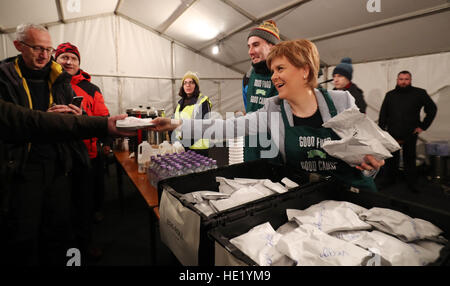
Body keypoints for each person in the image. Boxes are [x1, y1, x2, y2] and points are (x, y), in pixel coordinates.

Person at [151, 39, 384, 192]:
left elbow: (370, 150)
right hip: (307, 197)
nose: (273, 77)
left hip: (351, 194)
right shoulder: (275, 109)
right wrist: (175, 123)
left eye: (280, 69)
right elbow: (229, 127)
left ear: (305, 70)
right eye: (272, 70)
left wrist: (370, 162)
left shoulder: (341, 101)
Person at [0, 23, 87, 266]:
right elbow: (10, 122)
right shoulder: (5, 77)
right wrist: (46, 118)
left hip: (58, 161)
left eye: (48, 49)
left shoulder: (59, 77)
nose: (44, 55)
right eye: (38, 48)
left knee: (58, 225)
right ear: (18, 45)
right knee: (23, 232)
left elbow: (74, 114)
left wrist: (74, 113)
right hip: (23, 165)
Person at [55, 42, 111, 261]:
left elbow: (103, 118)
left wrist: (103, 141)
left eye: (73, 58)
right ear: (56, 60)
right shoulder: (48, 82)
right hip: (55, 155)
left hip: (85, 155)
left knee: (82, 204)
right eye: (64, 57)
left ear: (79, 63)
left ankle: (83, 245)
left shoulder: (91, 89)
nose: (68, 61)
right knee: (58, 206)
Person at [378, 71, 437, 192]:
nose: (403, 81)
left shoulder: (419, 93)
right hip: (392, 132)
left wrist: (423, 126)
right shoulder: (390, 95)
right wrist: (381, 130)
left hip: (411, 132)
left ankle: (411, 184)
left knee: (409, 159)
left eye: (406, 79)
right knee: (391, 159)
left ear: (410, 80)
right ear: (397, 80)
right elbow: (383, 113)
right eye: (401, 79)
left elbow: (432, 109)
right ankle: (390, 180)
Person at [242, 20, 280, 162]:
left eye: (256, 45)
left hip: (277, 150)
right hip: (251, 147)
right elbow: (248, 109)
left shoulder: (285, 76)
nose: (250, 52)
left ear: (272, 46)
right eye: (249, 46)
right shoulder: (247, 77)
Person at [173, 71, 211, 157]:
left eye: (191, 82)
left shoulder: (202, 101)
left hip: (198, 148)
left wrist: (184, 144)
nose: (188, 85)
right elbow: (173, 123)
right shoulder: (180, 103)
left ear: (196, 86)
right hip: (182, 148)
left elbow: (203, 126)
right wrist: (175, 141)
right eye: (185, 83)